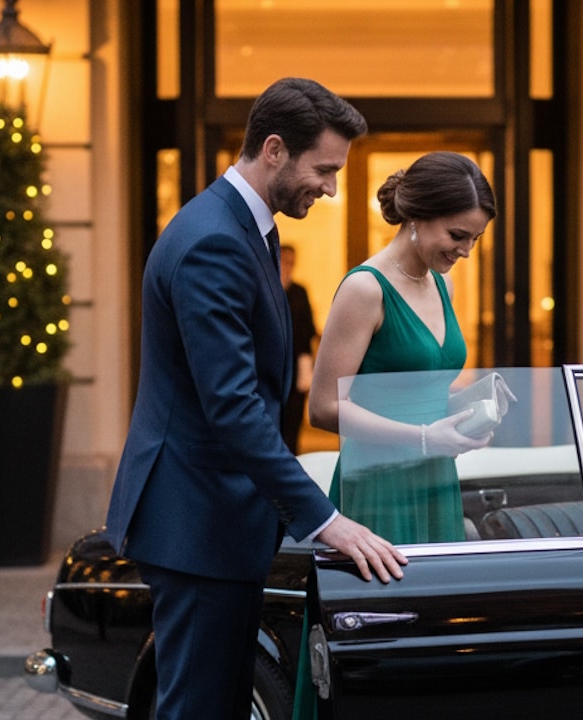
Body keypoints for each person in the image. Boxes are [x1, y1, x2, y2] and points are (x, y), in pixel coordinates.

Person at [102, 77, 407, 720]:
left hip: (214, 522)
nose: (330, 188)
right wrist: (323, 519)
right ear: (273, 149)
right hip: (196, 522)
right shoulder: (214, 239)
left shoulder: (243, 227)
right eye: (324, 170)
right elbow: (234, 406)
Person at [292, 151, 498, 719]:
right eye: (457, 235)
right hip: (377, 486)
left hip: (434, 482)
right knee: (379, 660)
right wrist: (426, 437)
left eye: (474, 240)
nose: (464, 250)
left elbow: (418, 393)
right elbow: (324, 406)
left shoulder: (440, 284)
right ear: (418, 217)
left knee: (434, 658)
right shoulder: (365, 288)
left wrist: (468, 410)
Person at [280, 244, 317, 454]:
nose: (288, 266)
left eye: (291, 262)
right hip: (274, 362)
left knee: (293, 415)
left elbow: (308, 328)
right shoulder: (269, 288)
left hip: (296, 362)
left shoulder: (299, 292)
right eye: (285, 261)